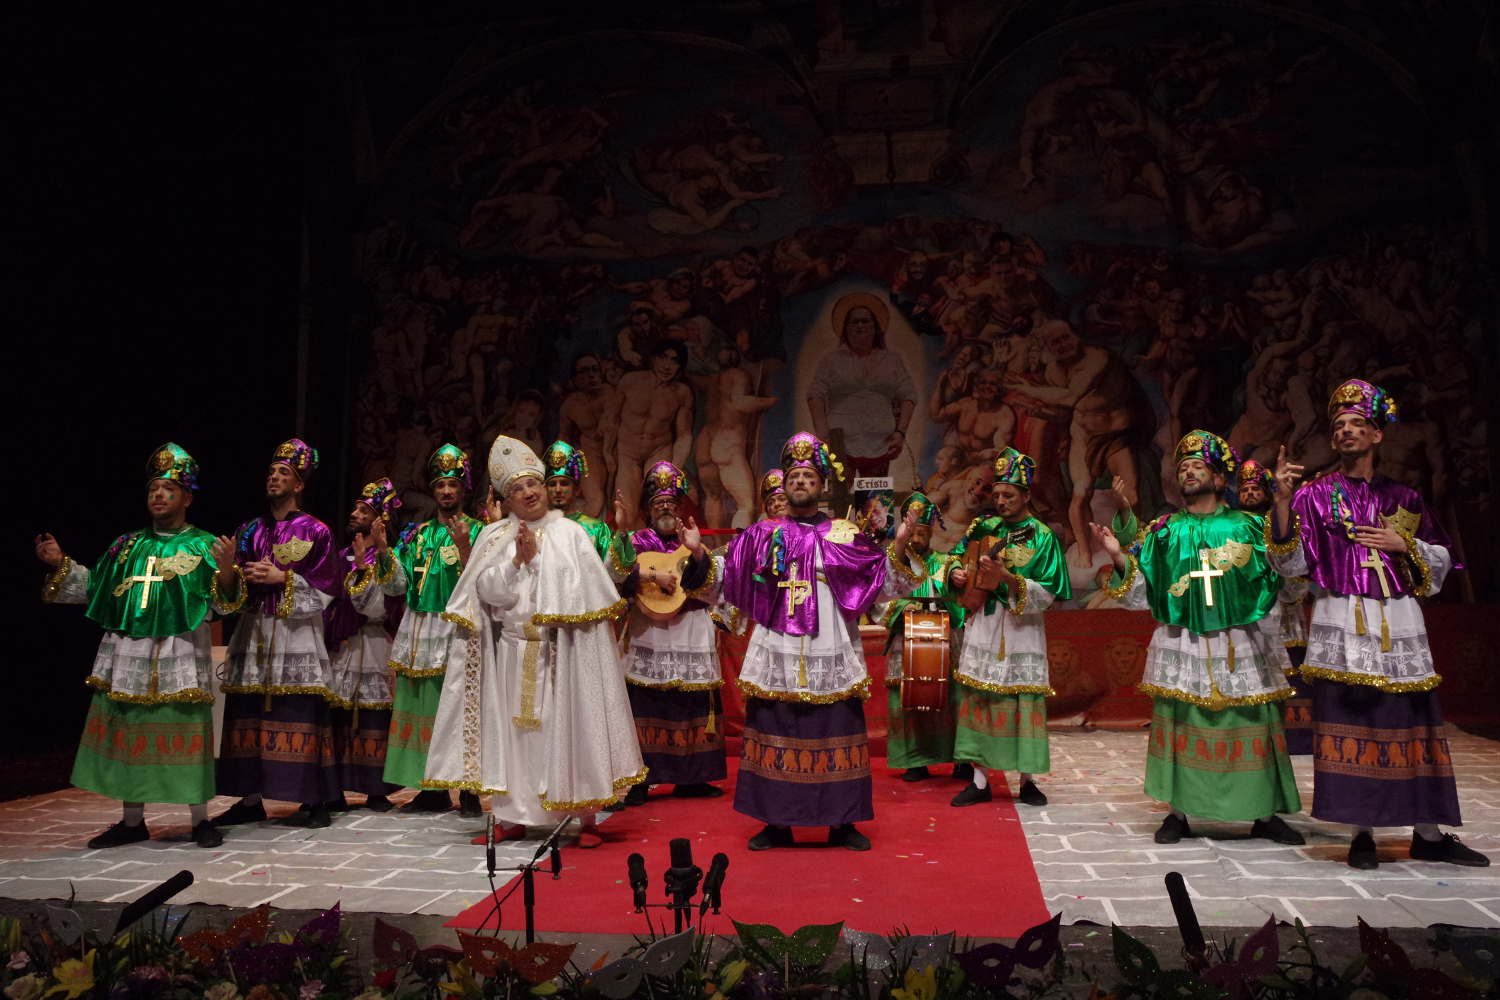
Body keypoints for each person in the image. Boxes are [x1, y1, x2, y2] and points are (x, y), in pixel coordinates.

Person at [1273, 380, 1486, 869]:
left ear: (1376, 435)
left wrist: (1403, 545)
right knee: (1351, 721)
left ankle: (1428, 834)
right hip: (1342, 617)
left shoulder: (1405, 498)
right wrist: (1282, 501)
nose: (1346, 431)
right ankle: (1361, 831)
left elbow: (1442, 563)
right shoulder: (1313, 496)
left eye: (1357, 424)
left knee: (1411, 721)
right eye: (1338, 426)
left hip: (1398, 619)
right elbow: (1289, 564)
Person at [422, 435, 644, 848]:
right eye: (518, 488)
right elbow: (486, 593)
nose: (529, 492)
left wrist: (539, 560)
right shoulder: (493, 536)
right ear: (506, 499)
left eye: (534, 484)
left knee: (571, 728)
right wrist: (516, 562)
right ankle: (513, 818)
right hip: (512, 651)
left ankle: (585, 818)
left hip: (564, 651)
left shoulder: (571, 534)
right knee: (514, 738)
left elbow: (581, 591)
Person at [1092, 431, 1303, 846]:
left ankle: (1264, 814)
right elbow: (1140, 595)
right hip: (1183, 641)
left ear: (1220, 479)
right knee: (1182, 722)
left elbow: (1290, 578)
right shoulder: (1164, 531)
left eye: (1198, 467)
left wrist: (1282, 503)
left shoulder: (1248, 526)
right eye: (1183, 468)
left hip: (1240, 643)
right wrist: (1118, 555)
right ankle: (1178, 813)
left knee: (1249, 723)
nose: (1188, 472)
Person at [722, 432, 925, 851]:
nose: (800, 482)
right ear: (784, 484)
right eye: (793, 476)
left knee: (836, 727)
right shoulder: (761, 535)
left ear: (823, 485)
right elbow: (728, 579)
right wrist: (698, 556)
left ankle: (842, 822)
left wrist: (902, 543)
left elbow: (884, 584)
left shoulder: (846, 534)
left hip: (830, 645)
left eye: (809, 476)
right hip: (777, 647)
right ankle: (775, 822)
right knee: (775, 725)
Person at [37, 444, 224, 848]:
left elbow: (224, 603)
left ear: (187, 498)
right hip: (131, 652)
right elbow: (96, 587)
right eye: (153, 489)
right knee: (131, 731)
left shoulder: (204, 545)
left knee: (185, 728)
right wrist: (60, 563)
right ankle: (132, 821)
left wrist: (227, 573)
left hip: (179, 651)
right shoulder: (126, 545)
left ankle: (201, 821)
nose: (158, 495)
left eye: (168, 489)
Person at [210, 439, 342, 829]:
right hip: (254, 633)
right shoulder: (248, 530)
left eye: (284, 473)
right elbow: (230, 594)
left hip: (295, 634)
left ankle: (314, 799)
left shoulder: (316, 531)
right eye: (271, 472)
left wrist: (282, 578)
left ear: (298, 484)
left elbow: (326, 591)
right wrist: (227, 573)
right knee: (249, 715)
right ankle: (250, 800)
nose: (274, 478)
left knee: (299, 714)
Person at [943, 449, 1071, 807]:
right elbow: (954, 558)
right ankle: (980, 781)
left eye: (1008, 495)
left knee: (1022, 700)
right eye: (997, 494)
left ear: (1027, 496)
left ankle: (1027, 781)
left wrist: (1008, 578)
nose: (1000, 501)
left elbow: (1050, 592)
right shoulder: (984, 527)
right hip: (984, 623)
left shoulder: (1042, 537)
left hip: (1021, 629)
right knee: (980, 698)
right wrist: (956, 572)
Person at [375, 445, 485, 816]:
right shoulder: (416, 535)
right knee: (423, 707)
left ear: (464, 490)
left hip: (461, 629)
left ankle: (469, 788)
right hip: (420, 629)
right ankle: (431, 788)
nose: (446, 491)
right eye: (440, 485)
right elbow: (397, 586)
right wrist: (384, 552)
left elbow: (488, 582)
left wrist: (466, 547)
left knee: (463, 707)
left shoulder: (480, 531)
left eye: (453, 484)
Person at [607, 462, 727, 806]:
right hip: (650, 631)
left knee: (692, 701)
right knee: (646, 702)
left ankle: (693, 778)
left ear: (680, 507)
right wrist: (644, 569)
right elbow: (615, 575)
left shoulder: (693, 540)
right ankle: (641, 779)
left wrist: (698, 553)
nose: (664, 508)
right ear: (648, 508)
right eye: (658, 502)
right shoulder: (636, 541)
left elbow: (713, 583)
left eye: (670, 503)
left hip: (691, 629)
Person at [324, 479, 404, 812]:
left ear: (379, 521)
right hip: (342, 646)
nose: (355, 514)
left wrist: (362, 569)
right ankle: (334, 790)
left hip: (373, 642)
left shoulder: (388, 557)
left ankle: (376, 789)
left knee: (374, 717)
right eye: (356, 508)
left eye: (365, 511)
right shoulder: (338, 556)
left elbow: (384, 604)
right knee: (339, 715)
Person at [876, 492, 964, 783]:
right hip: (906, 642)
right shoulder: (894, 562)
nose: (916, 540)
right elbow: (881, 597)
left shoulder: (945, 561)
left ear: (931, 534)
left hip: (945, 640)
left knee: (952, 697)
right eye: (912, 533)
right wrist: (903, 607)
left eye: (922, 534)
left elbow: (956, 575)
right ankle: (914, 761)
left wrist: (958, 576)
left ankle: (960, 760)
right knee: (909, 699)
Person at [1235, 459, 1313, 754]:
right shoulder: (1233, 526)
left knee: (1290, 666)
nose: (1250, 494)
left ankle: (1296, 740)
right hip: (1248, 609)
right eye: (1245, 490)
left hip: (1283, 606)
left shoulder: (1280, 521)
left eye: (1256, 489)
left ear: (1267, 493)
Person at [807, 293, 917, 478]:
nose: (860, 326)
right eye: (854, 322)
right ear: (845, 328)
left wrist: (900, 433)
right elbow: (815, 394)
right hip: (839, 446)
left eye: (865, 321)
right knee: (840, 497)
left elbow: (909, 395)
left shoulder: (891, 360)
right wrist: (823, 436)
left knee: (875, 498)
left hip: (881, 445)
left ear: (875, 327)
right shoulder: (832, 360)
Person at [544, 440, 613, 561]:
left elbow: (611, 568)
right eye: (552, 484)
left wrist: (623, 529)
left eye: (564, 484)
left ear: (577, 490)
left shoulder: (596, 529)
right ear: (545, 490)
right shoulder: (538, 528)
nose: (558, 490)